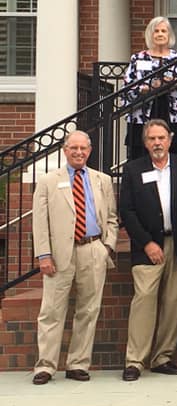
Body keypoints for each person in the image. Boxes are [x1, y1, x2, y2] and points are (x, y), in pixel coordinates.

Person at [118, 119, 177, 381]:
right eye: (152, 139)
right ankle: (135, 361)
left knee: (174, 303)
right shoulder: (133, 170)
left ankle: (162, 357)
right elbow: (127, 211)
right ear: (145, 142)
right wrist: (147, 243)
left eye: (161, 138)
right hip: (148, 247)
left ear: (169, 139)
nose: (157, 143)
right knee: (144, 300)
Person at [31, 131, 119, 385]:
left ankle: (78, 364)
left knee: (88, 310)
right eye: (73, 148)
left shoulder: (102, 180)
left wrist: (107, 248)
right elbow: (40, 221)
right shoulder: (49, 181)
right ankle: (45, 366)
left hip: (93, 250)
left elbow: (111, 217)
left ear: (89, 151)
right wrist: (44, 255)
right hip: (59, 255)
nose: (79, 152)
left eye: (83, 148)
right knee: (51, 311)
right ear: (64, 150)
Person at [122, 16, 177, 160]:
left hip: (174, 115)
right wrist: (147, 88)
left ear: (169, 35)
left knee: (175, 155)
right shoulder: (138, 58)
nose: (160, 34)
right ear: (151, 34)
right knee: (141, 158)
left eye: (164, 31)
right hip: (143, 114)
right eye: (156, 31)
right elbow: (127, 91)